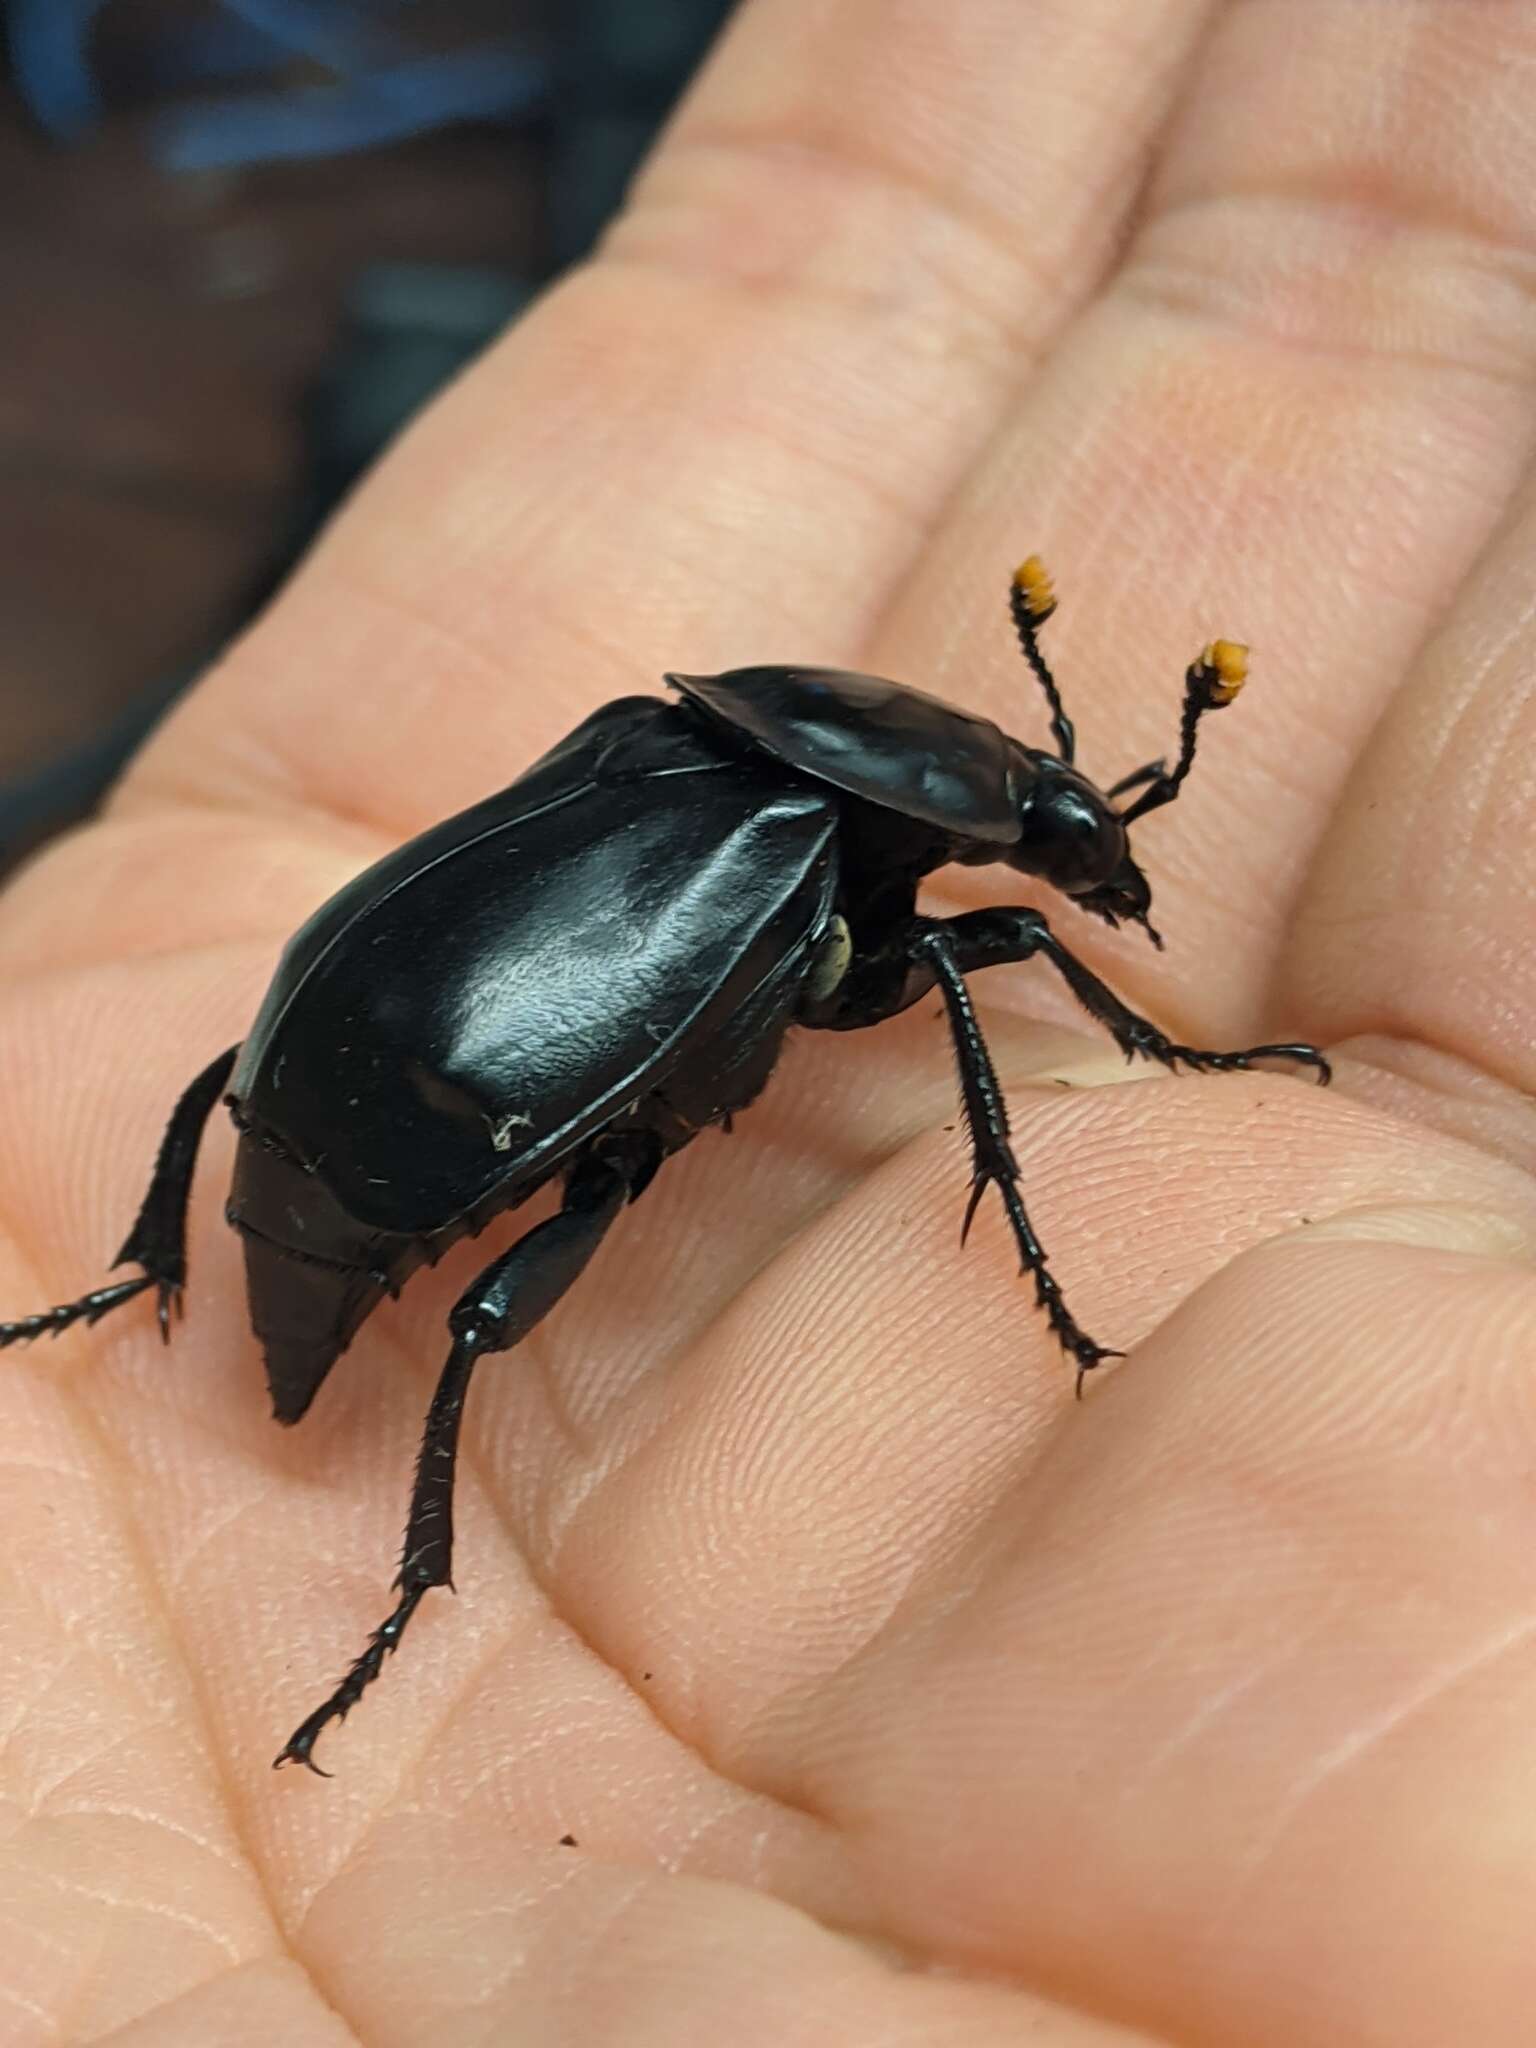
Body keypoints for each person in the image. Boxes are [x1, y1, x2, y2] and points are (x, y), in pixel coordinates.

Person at [2, 2, 1533, 2039]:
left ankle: (145, 1293)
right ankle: (402, 1583)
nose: (1068, 859)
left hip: (336, 1061)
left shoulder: (700, 758)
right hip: (394, 1103)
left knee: (307, 1121)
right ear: (936, 803)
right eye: (1043, 822)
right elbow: (972, 968)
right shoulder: (780, 848)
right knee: (485, 1312)